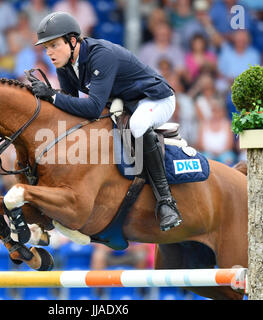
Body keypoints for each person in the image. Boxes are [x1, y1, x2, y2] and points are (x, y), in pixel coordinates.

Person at [29, 12, 182, 232]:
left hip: (155, 98)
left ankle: (166, 202)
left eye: (54, 45)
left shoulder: (101, 55)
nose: (49, 53)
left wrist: (52, 95)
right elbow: (70, 108)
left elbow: (91, 107)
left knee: (138, 125)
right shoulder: (65, 65)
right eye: (46, 48)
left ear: (73, 41)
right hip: (124, 102)